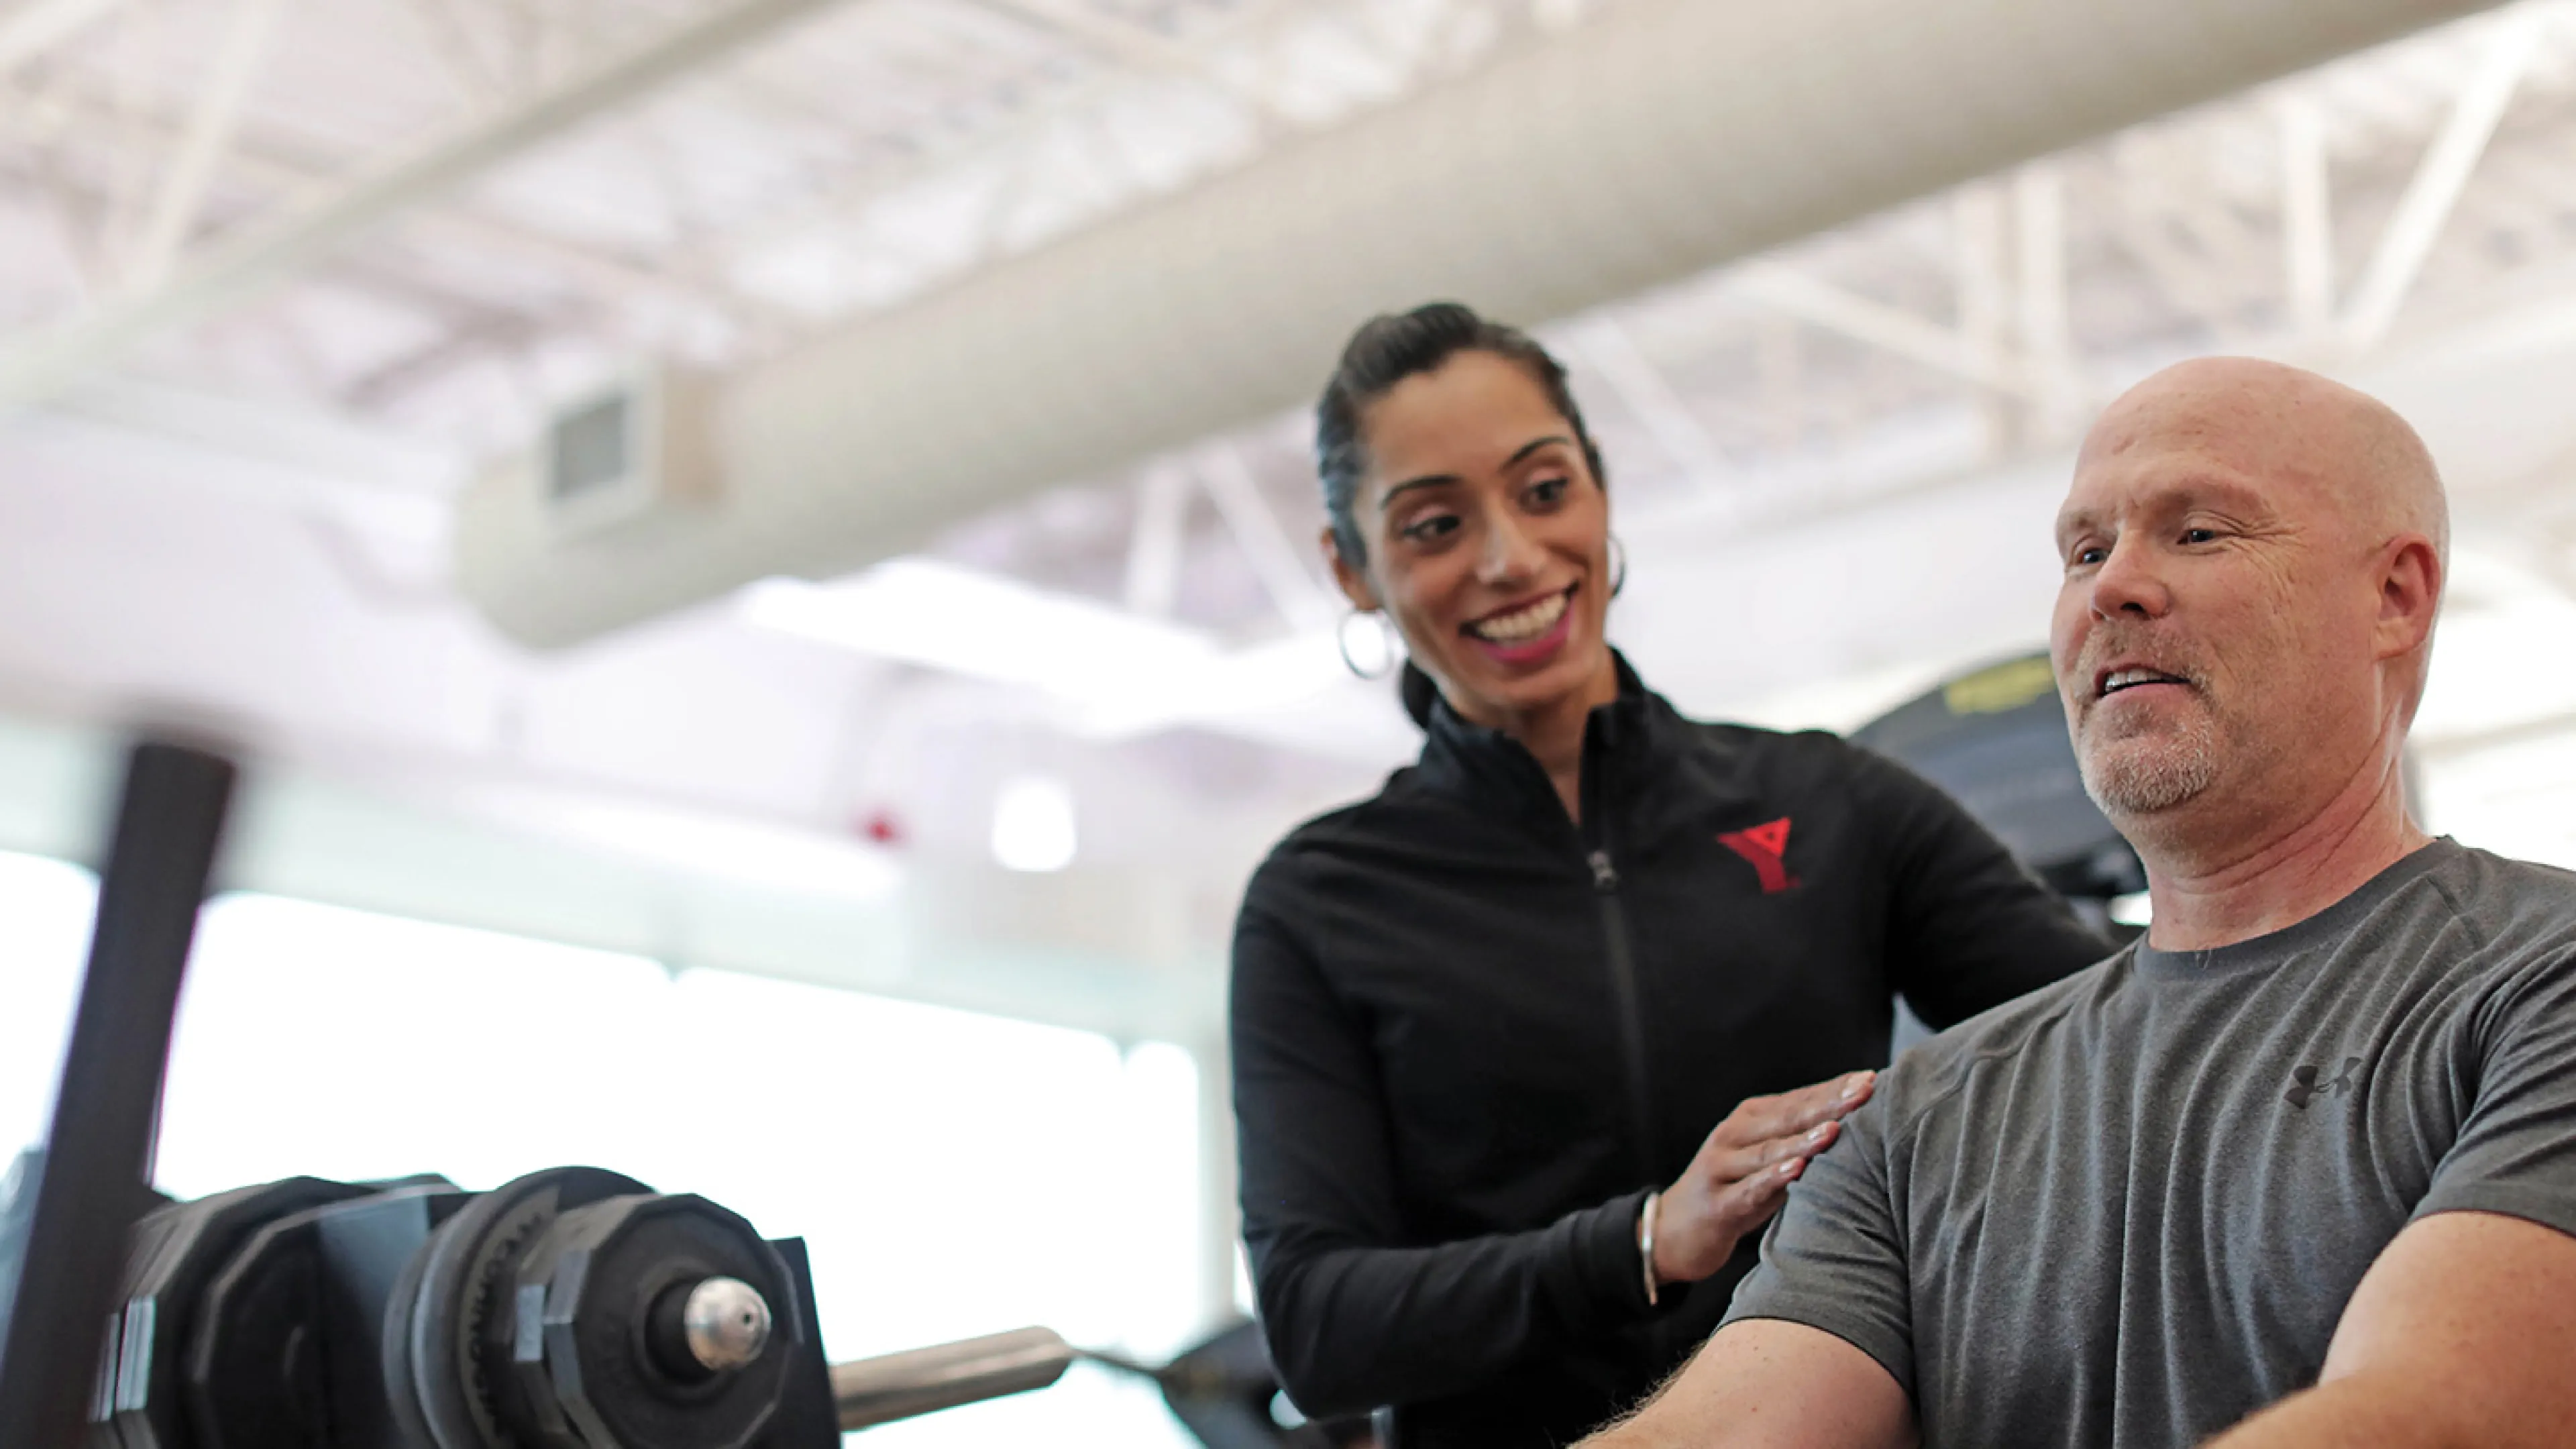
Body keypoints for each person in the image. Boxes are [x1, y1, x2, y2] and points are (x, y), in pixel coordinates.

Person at [1580, 357, 2576, 1449]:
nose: (2112, 589)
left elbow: (2436, 1417)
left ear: (2395, 596)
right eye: (2086, 551)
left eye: (2198, 532)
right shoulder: (1915, 1122)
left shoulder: (2540, 984)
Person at [1228, 303, 2111, 1449]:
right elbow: (1317, 1325)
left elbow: (2111, 1038)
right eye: (1435, 525)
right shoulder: (1319, 903)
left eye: (1544, 491)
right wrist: (1645, 1240)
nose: (1509, 558)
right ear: (1352, 567)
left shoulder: (1827, 803)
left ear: (1597, 491)